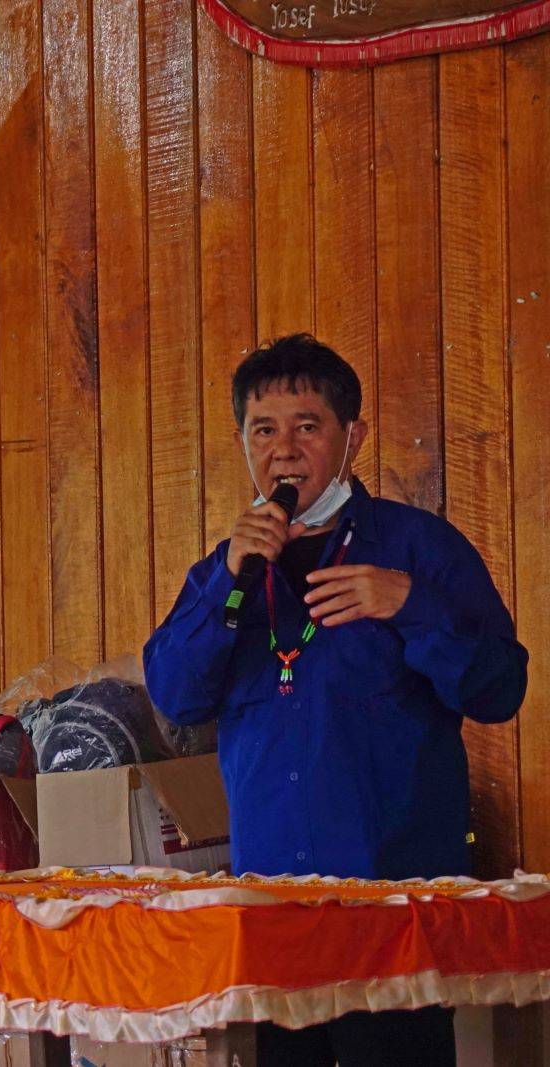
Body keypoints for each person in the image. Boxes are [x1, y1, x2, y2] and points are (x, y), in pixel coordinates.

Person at [143, 334, 528, 1067]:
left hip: (393, 918)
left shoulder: (418, 549)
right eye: (264, 430)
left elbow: (499, 688)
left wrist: (410, 603)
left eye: (306, 426)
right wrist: (228, 578)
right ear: (241, 442)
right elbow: (175, 697)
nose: (283, 450)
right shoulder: (222, 570)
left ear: (353, 436)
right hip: (273, 919)